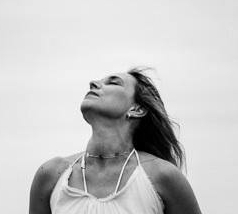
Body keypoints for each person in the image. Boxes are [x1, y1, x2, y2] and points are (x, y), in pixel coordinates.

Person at [28, 67, 203, 214]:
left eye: (113, 82)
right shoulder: (51, 175)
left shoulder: (162, 175)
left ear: (137, 109)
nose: (93, 83)